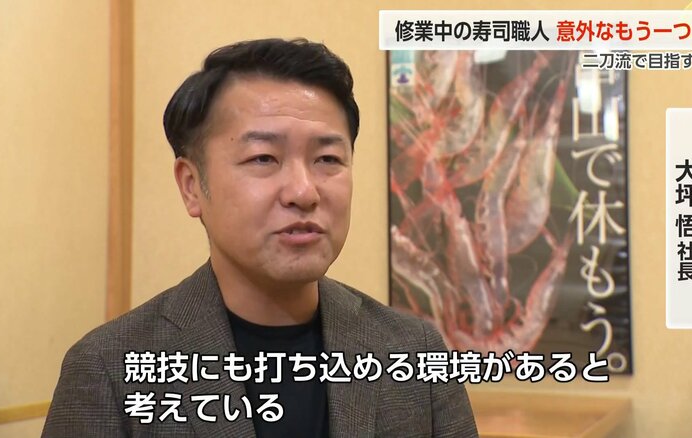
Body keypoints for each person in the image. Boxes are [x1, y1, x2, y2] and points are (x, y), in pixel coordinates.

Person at [42, 38, 478, 437]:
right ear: (192, 186)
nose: (304, 192)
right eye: (264, 158)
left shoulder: (414, 352)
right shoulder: (109, 368)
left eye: (328, 158)